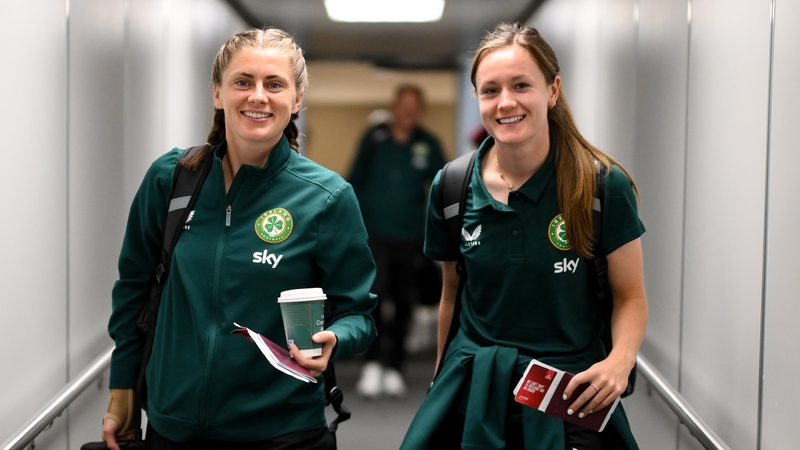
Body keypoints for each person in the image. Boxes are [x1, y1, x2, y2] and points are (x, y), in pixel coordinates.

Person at [101, 28, 377, 450]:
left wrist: (335, 339)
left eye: (275, 84)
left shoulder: (327, 197)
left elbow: (359, 313)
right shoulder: (171, 180)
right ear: (218, 93)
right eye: (243, 82)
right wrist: (123, 389)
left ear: (297, 99)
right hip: (173, 429)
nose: (258, 96)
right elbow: (134, 291)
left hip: (280, 433)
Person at [401, 22, 648, 449]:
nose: (506, 102)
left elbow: (631, 296)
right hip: (475, 387)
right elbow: (452, 294)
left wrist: (620, 361)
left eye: (521, 85)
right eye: (490, 90)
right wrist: (440, 379)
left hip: (569, 392)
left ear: (552, 91)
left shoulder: (601, 186)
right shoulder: (453, 186)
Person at [347, 85, 446, 398]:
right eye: (403, 105)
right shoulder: (375, 140)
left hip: (412, 236)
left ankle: (395, 367)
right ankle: (374, 363)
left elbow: (445, 187)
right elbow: (353, 181)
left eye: (414, 106)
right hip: (373, 234)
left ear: (421, 111)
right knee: (375, 296)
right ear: (393, 107)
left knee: (405, 301)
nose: (407, 112)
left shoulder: (427, 144)